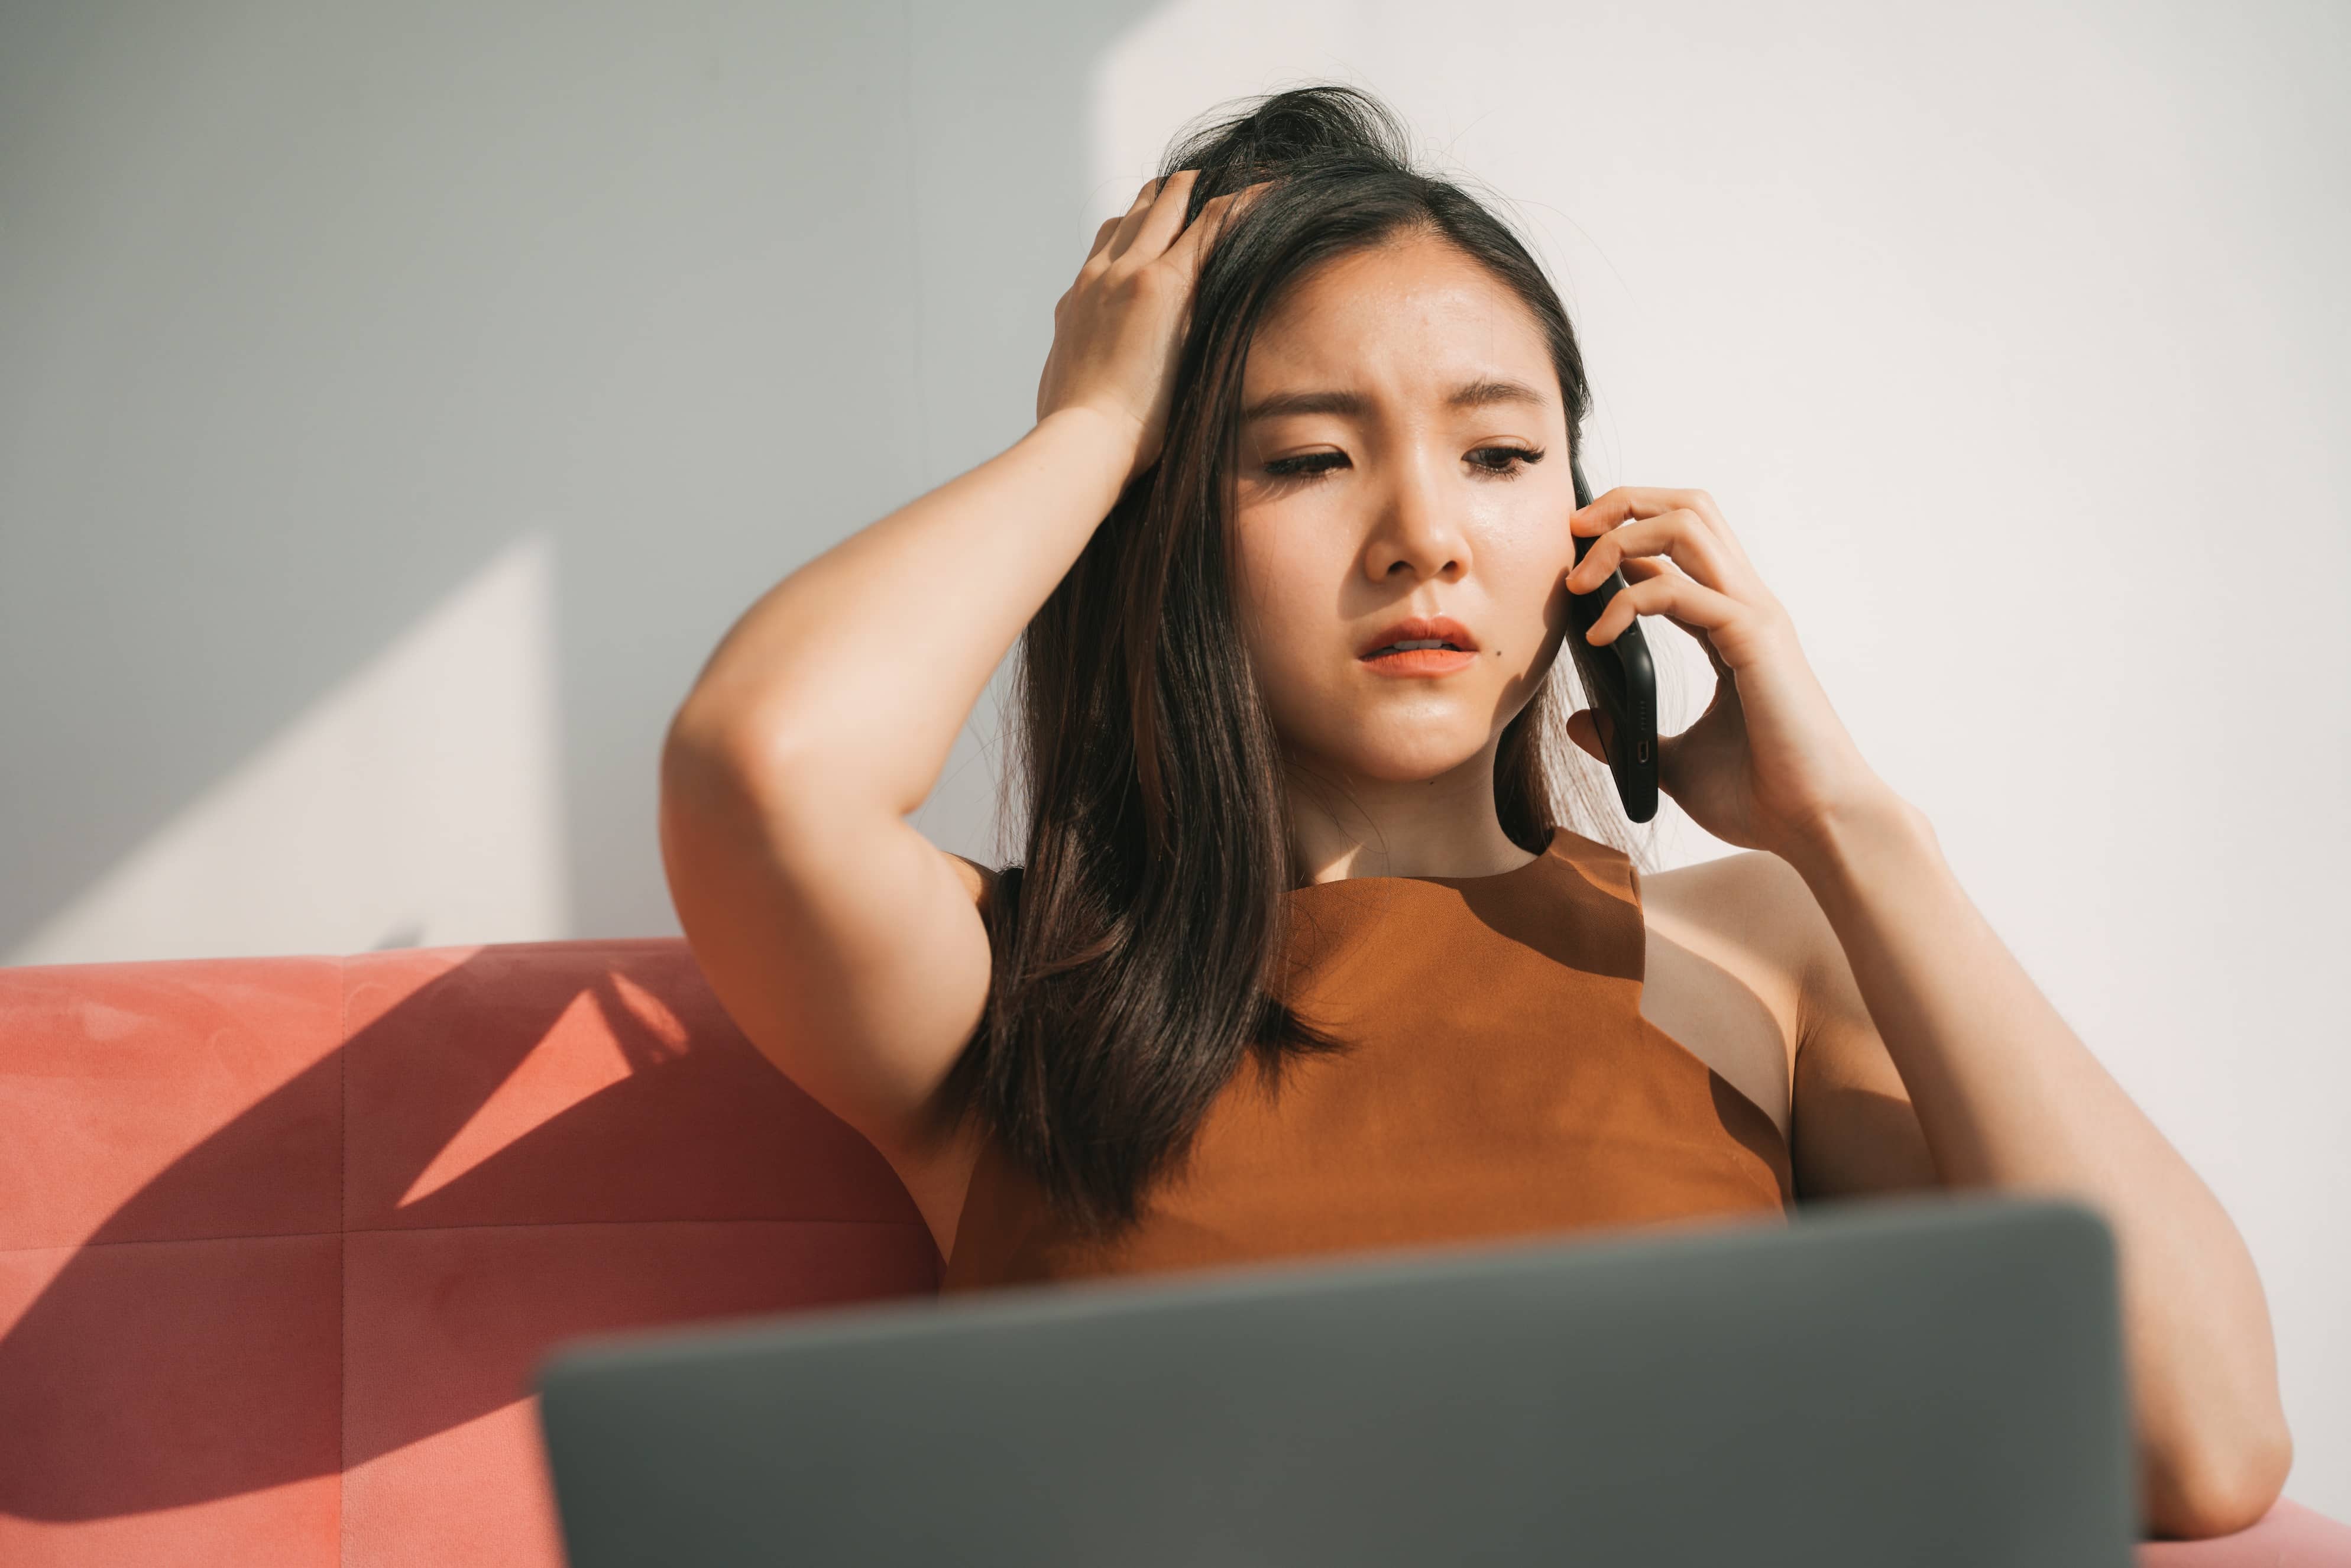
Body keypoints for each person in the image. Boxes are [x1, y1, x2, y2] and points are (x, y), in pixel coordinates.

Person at [657, 84, 2288, 1539]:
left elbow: (2202, 1443)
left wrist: (1846, 821)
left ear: (1580, 524)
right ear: (1163, 520)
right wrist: (1091, 426)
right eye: (1304, 461)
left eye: (1502, 455)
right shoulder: (1018, 982)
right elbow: (764, 761)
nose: (1424, 533)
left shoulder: (1753, 947)